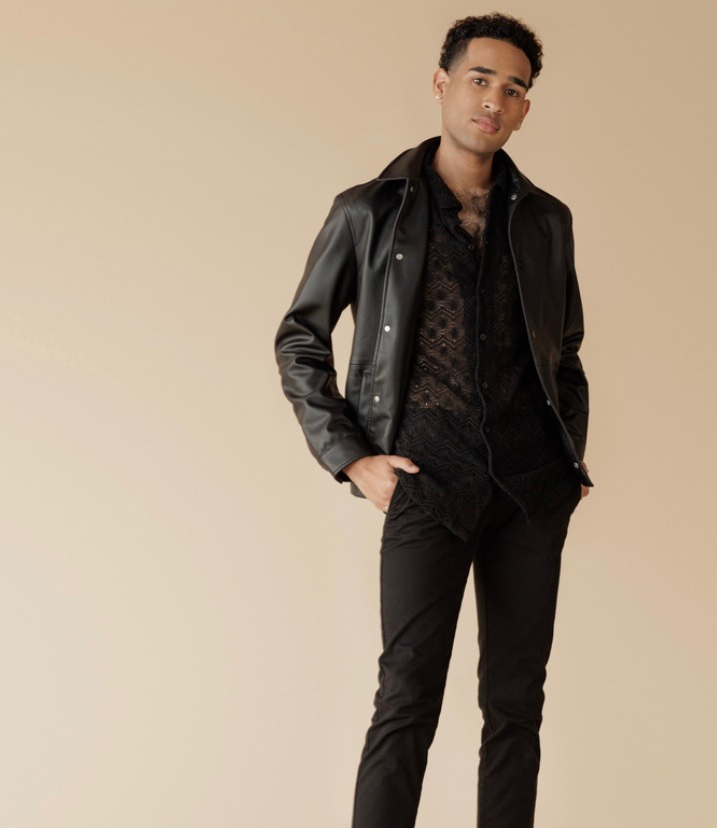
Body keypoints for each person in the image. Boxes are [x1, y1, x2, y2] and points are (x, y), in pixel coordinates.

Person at [274, 12, 594, 827]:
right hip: (425, 477)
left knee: (516, 704)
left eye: (513, 89)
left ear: (525, 109)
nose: (494, 100)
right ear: (442, 83)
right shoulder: (367, 211)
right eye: (480, 80)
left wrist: (569, 460)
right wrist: (353, 457)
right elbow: (300, 339)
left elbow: (565, 353)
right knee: (407, 696)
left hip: (530, 489)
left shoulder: (546, 220)